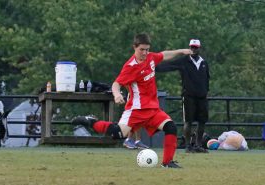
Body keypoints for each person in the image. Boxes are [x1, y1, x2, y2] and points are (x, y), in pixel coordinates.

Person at [72, 33, 192, 168]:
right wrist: (117, 95)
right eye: (142, 49)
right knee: (117, 134)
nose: (145, 53)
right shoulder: (130, 67)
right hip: (136, 110)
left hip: (153, 109)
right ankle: (91, 121)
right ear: (134, 47)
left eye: (147, 49)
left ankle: (167, 162)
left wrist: (181, 51)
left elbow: (164, 55)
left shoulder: (151, 58)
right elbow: (116, 84)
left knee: (171, 127)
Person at [156, 38, 210, 153]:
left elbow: (207, 79)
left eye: (195, 47)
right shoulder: (184, 61)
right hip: (189, 95)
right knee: (188, 121)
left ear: (199, 48)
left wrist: (206, 92)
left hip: (202, 96)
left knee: (202, 121)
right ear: (189, 47)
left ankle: (198, 145)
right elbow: (169, 66)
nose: (193, 49)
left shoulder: (204, 62)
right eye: (192, 47)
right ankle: (187, 145)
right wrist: (153, 67)